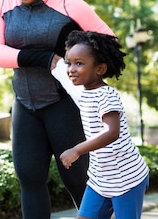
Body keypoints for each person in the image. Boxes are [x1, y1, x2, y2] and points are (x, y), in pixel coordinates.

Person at [0, 0, 114, 218]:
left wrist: (78, 62)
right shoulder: (3, 6)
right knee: (29, 179)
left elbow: (109, 41)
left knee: (78, 179)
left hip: (63, 104)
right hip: (24, 104)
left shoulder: (68, 4)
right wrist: (44, 58)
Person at [61, 30, 149, 219]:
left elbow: (111, 132)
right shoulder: (84, 93)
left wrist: (77, 150)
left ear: (99, 69)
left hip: (126, 177)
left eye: (79, 63)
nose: (71, 69)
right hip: (100, 178)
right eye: (69, 63)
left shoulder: (106, 95)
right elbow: (60, 73)